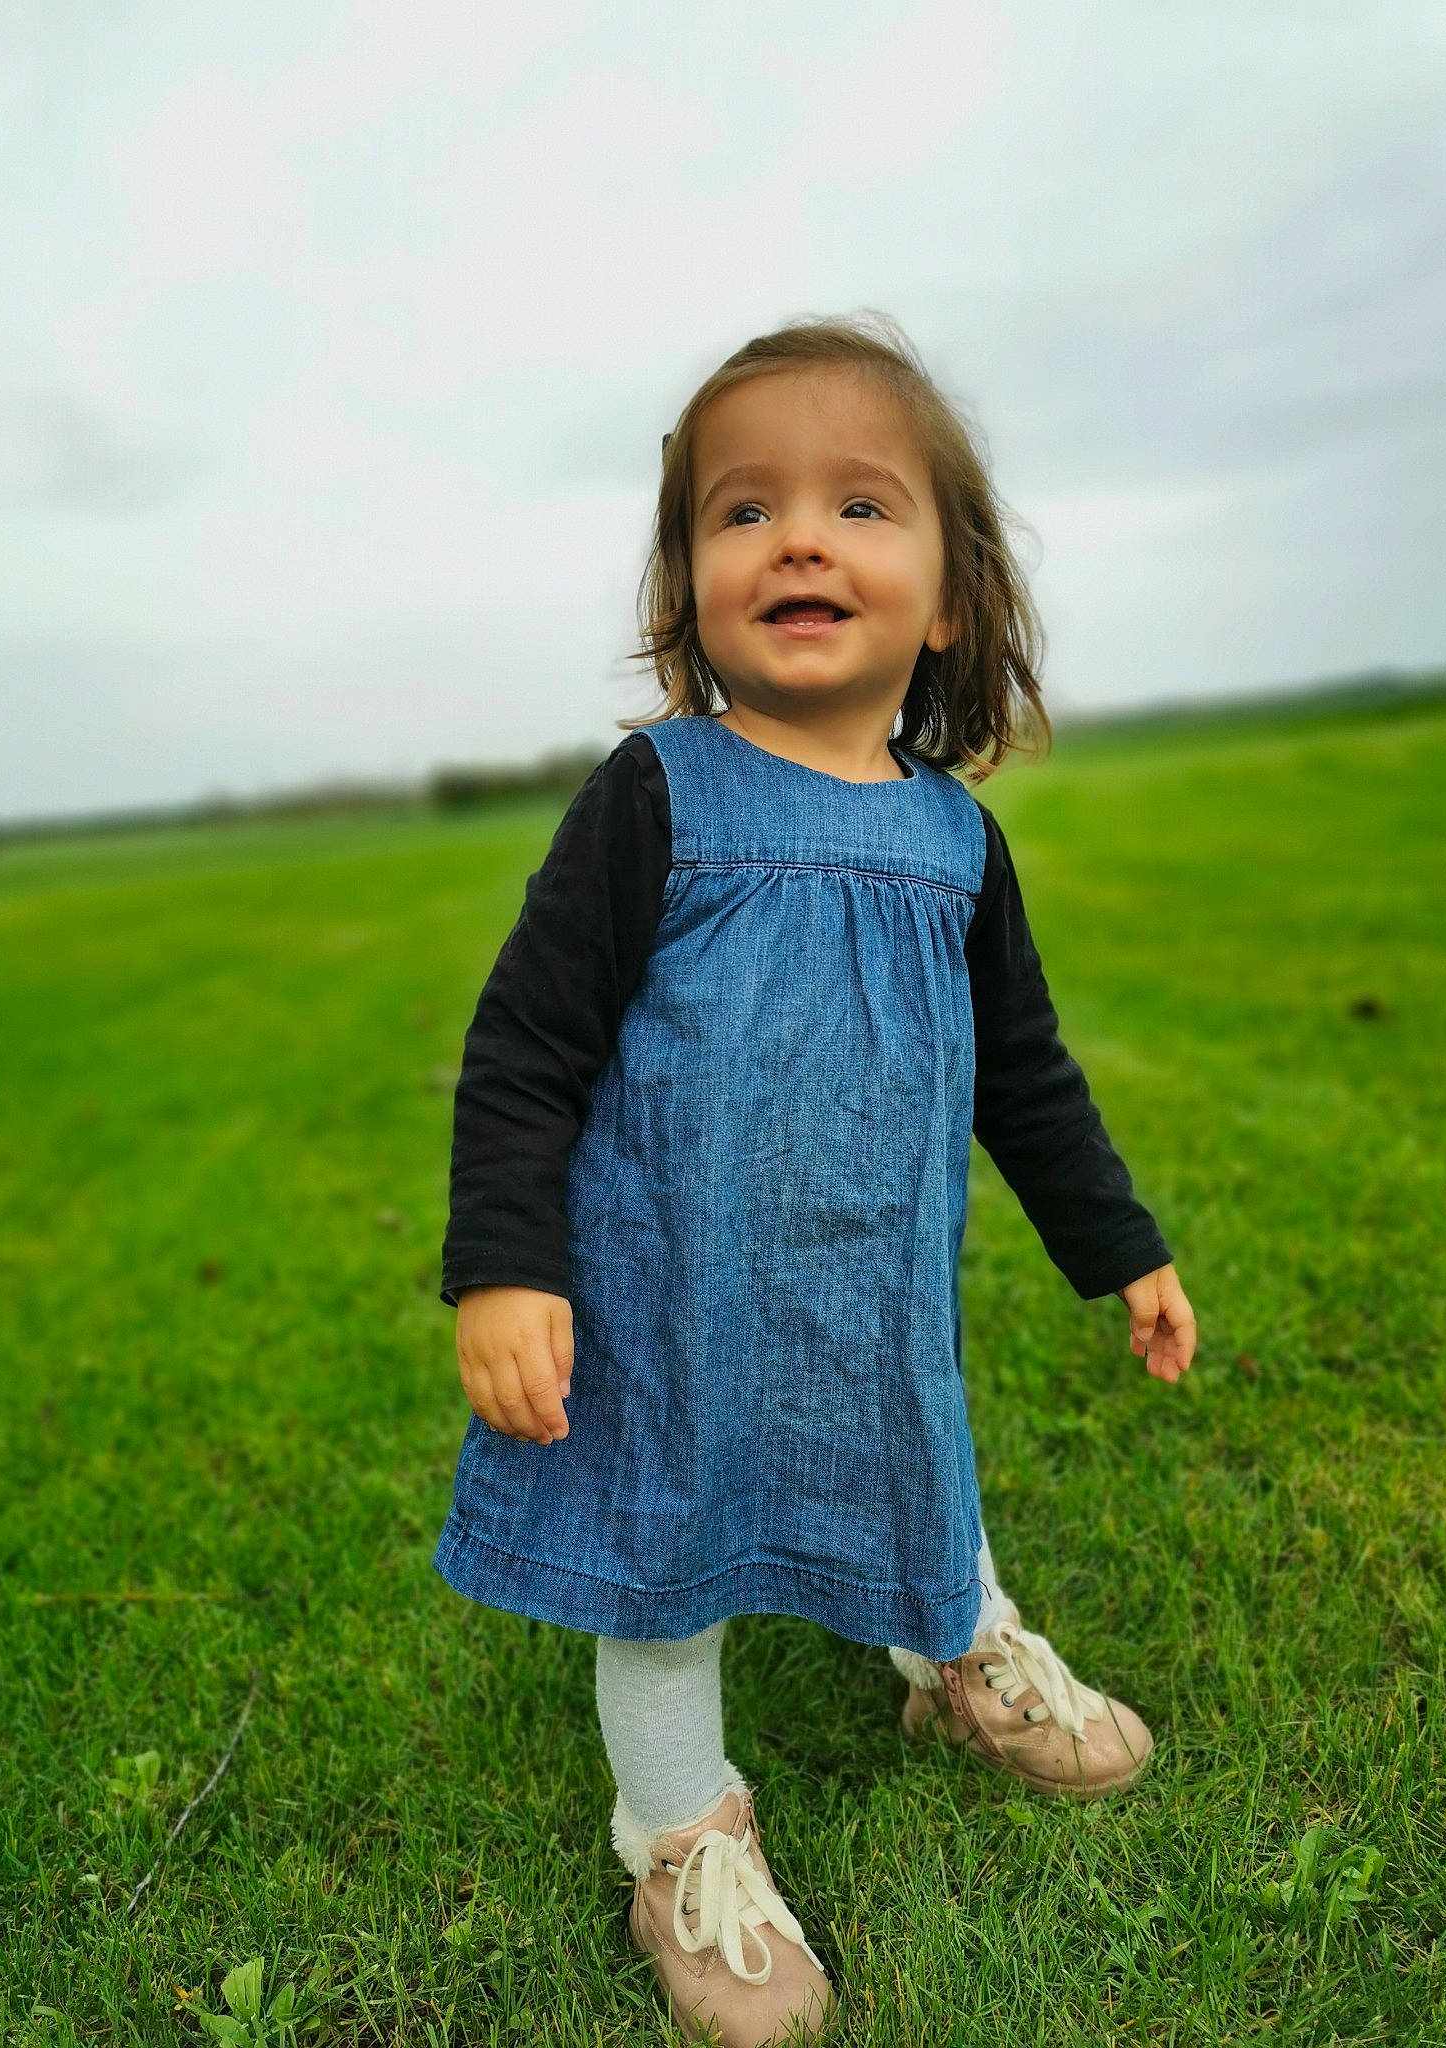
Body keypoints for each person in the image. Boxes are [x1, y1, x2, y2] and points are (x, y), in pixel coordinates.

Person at [432, 311, 1197, 2047]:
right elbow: (529, 1041)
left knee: (915, 1458)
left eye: (858, 506)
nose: (796, 540)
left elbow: (1025, 1076)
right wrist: (506, 1262)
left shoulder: (955, 841)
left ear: (950, 598)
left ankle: (957, 1649)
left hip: (872, 1273)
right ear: (687, 586)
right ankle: (677, 1831)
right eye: (743, 510)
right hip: (668, 1286)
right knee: (665, 1547)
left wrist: (1120, 1247)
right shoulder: (656, 797)